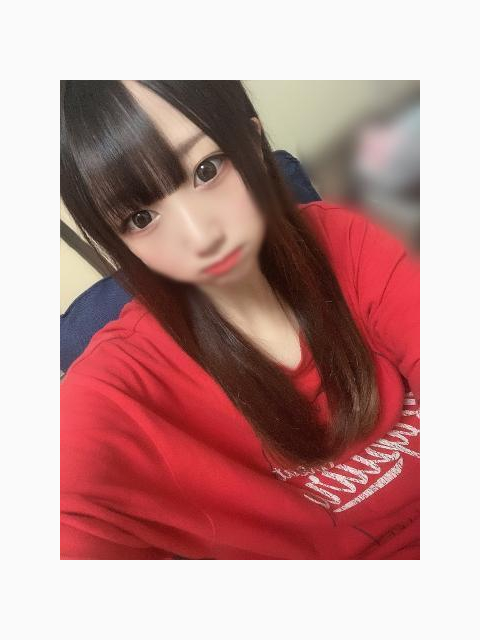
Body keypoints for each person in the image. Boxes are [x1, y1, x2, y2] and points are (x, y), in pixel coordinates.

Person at [60, 80, 420, 560]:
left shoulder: (349, 242)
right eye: (140, 218)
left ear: (252, 143)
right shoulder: (122, 388)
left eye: (206, 170)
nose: (200, 237)